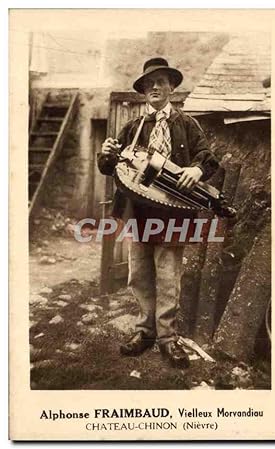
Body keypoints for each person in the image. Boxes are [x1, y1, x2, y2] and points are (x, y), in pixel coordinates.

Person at [98, 58, 219, 368]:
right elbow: (110, 168)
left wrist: (195, 168)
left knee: (168, 276)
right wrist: (106, 155)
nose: (154, 87)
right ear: (143, 91)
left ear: (171, 87)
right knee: (139, 274)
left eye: (161, 81)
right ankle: (145, 332)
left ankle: (167, 338)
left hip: (173, 214)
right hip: (137, 210)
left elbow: (208, 158)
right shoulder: (132, 127)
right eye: (148, 83)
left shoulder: (187, 124)